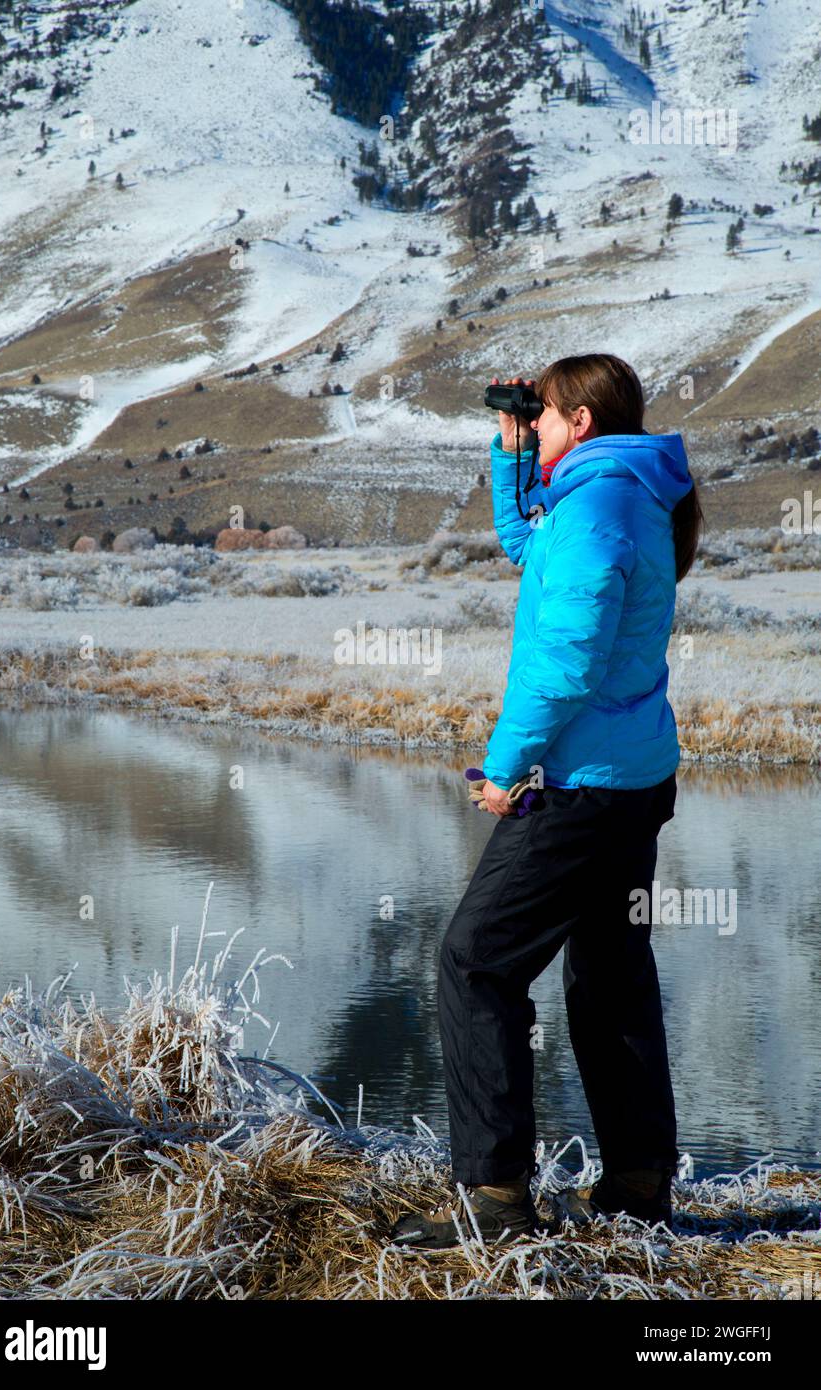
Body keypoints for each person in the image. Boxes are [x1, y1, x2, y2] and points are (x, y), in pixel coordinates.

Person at [390, 353, 704, 1251]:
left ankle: (492, 1196)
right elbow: (530, 544)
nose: (540, 425)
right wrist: (509, 453)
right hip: (632, 781)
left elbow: (564, 662)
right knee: (609, 975)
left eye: (549, 416)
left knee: (474, 963)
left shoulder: (597, 508)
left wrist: (504, 768)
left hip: (580, 791)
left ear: (583, 425)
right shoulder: (622, 494)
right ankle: (640, 1187)